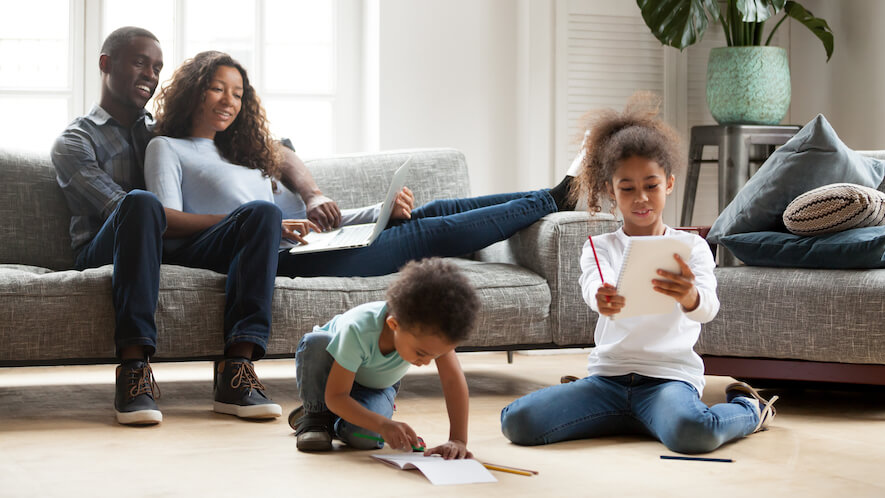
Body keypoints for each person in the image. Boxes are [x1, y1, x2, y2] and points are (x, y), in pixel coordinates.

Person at [49, 27, 338, 426]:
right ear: (106, 64)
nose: (150, 74)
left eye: (156, 67)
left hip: (174, 245)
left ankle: (236, 371)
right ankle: (133, 370)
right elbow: (125, 211)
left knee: (262, 213)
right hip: (107, 247)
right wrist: (229, 220)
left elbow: (274, 148)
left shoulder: (160, 130)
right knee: (140, 204)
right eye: (139, 63)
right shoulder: (75, 141)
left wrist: (310, 194)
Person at [499, 92, 779, 454]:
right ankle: (613, 412)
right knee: (517, 422)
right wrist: (602, 299)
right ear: (610, 192)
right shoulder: (598, 248)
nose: (641, 198)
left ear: (669, 184)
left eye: (651, 185)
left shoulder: (691, 248)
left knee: (694, 432)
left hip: (669, 381)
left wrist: (689, 296)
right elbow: (592, 285)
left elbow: (708, 308)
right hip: (608, 380)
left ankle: (749, 408)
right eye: (627, 188)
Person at [142, 50, 579, 280]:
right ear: (194, 90)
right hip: (269, 261)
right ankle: (551, 199)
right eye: (218, 88)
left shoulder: (243, 153)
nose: (229, 101)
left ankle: (554, 194)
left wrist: (378, 213)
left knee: (435, 210)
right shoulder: (169, 149)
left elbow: (304, 225)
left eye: (238, 94)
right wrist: (255, 225)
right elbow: (164, 222)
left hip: (302, 246)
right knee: (428, 234)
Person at [290, 258, 479, 456]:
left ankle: (334, 420)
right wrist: (381, 423)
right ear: (394, 325)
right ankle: (316, 416)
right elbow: (336, 396)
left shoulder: (433, 334)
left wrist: (458, 439)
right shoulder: (358, 329)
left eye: (436, 355)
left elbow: (452, 381)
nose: (426, 362)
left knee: (364, 436)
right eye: (421, 353)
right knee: (317, 342)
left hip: (374, 387)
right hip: (330, 379)